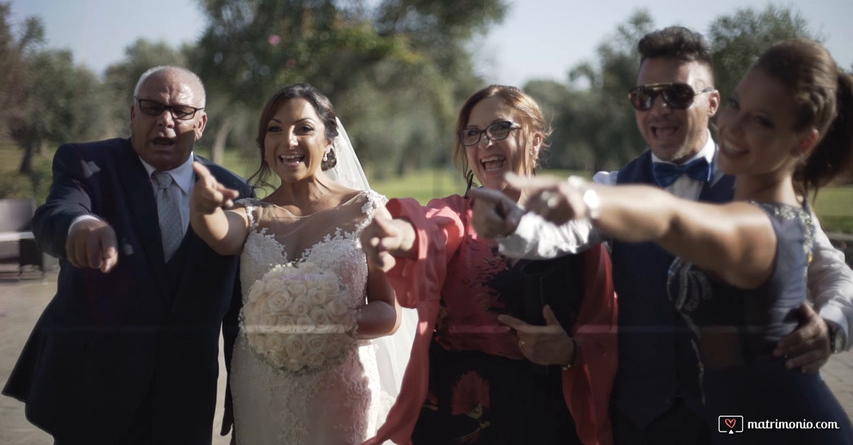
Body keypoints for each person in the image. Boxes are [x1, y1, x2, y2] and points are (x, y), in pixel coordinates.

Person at [471, 27, 853, 445]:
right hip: (646, 417)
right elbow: (560, 234)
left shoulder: (774, 204)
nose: (658, 109)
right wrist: (516, 225)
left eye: (677, 95)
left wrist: (832, 325)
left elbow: (668, 219)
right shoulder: (618, 182)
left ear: (711, 102)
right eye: (644, 97)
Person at [2, 66, 253, 444]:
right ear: (133, 114)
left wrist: (241, 395)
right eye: (151, 108)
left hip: (184, 399)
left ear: (200, 124)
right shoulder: (86, 163)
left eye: (180, 112)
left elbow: (238, 307)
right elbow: (55, 213)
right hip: (92, 393)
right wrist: (80, 225)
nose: (165, 121)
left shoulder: (232, 190)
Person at [360, 85, 618, 445]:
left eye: (500, 128)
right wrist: (397, 235)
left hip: (547, 415)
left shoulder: (574, 224)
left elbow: (605, 327)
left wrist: (571, 352)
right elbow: (430, 230)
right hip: (455, 415)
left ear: (535, 140)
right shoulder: (458, 214)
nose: (485, 143)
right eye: (473, 133)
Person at [190, 83, 412, 445]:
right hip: (261, 388)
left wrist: (327, 324)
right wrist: (203, 210)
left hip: (340, 392)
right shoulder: (251, 214)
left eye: (303, 128)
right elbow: (220, 234)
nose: (288, 140)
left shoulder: (366, 210)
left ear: (329, 141)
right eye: (274, 129)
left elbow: (390, 313)